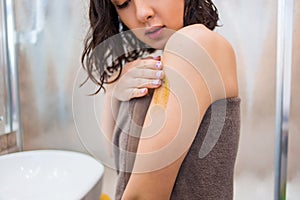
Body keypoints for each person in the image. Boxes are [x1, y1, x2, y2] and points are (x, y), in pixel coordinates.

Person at [81, 0, 240, 199]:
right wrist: (114, 89)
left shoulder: (196, 43)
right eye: (123, 3)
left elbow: (144, 196)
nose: (142, 13)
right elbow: (117, 157)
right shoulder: (152, 62)